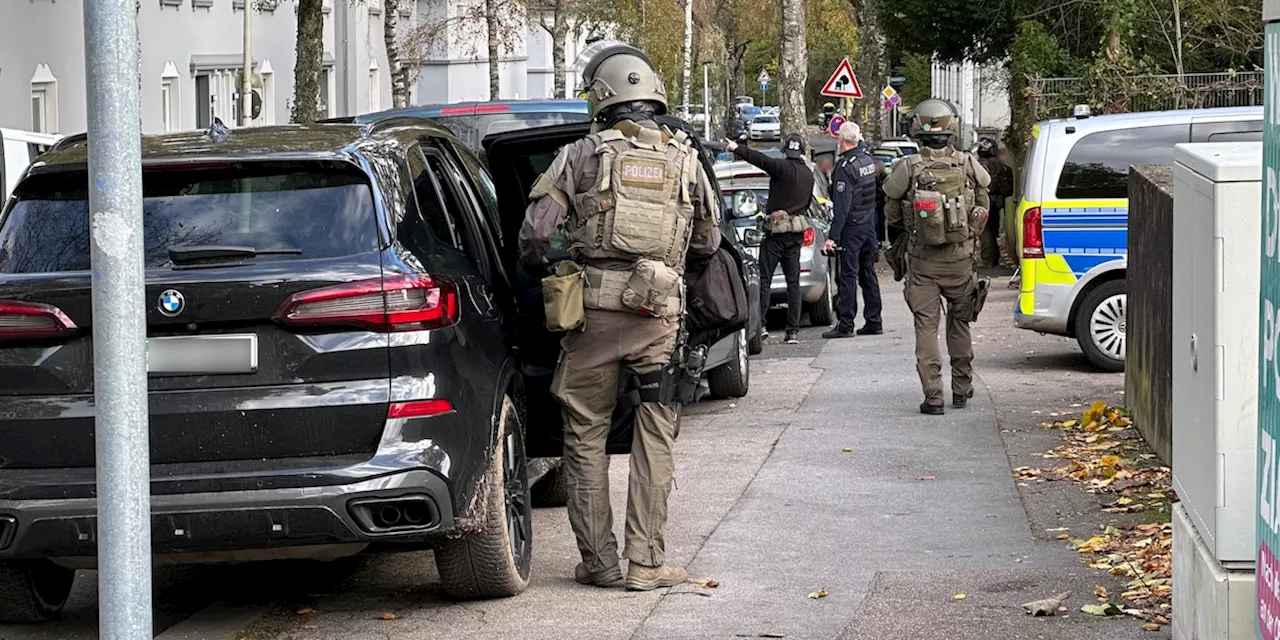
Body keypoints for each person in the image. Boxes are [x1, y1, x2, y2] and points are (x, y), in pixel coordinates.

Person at [518, 40, 721, 590]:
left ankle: (600, 564)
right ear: (653, 96)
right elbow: (708, 240)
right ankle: (647, 565)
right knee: (655, 433)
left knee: (584, 433)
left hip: (592, 318)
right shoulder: (684, 157)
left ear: (601, 99)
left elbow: (535, 235)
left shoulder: (580, 154)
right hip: (658, 316)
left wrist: (552, 265)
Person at [883, 98, 991, 415]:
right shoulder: (969, 165)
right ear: (951, 129)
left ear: (918, 130)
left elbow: (891, 216)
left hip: (923, 263)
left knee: (926, 328)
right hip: (961, 260)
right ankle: (961, 388)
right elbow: (984, 207)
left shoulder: (908, 167)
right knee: (960, 325)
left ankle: (933, 396)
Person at [725, 132, 815, 344]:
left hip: (775, 235)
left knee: (764, 279)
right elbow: (808, 204)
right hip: (796, 234)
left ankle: (761, 325)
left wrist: (736, 148)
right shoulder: (808, 175)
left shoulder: (781, 168)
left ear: (786, 151)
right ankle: (792, 331)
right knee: (793, 283)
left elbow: (760, 160)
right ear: (802, 151)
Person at [822, 122, 882, 338]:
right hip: (868, 223)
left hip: (852, 227)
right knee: (868, 272)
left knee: (848, 275)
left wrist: (832, 237)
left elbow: (842, 206)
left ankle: (845, 323)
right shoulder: (867, 159)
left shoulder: (845, 168)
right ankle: (874, 320)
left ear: (841, 140)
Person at [976, 137, 1014, 267]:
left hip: (985, 201)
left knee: (985, 232)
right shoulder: (1001, 166)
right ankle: (993, 258)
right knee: (992, 231)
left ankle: (988, 260)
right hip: (997, 202)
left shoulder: (982, 165)